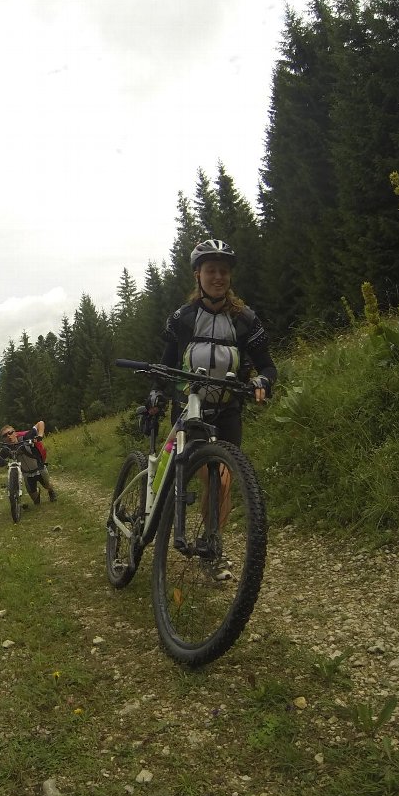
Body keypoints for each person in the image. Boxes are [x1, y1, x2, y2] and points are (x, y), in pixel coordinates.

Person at [155, 239, 276, 574]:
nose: (218, 276)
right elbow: (164, 365)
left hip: (227, 411)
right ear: (198, 275)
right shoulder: (183, 318)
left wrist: (262, 383)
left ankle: (212, 547)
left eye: (224, 271)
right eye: (211, 270)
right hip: (187, 409)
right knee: (172, 476)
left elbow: (267, 366)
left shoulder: (245, 320)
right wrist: (157, 395)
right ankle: (159, 525)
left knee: (220, 478)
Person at [0, 421, 58, 502]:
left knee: (47, 485)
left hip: (39, 469)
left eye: (10, 433)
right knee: (36, 501)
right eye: (5, 435)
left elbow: (40, 423)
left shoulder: (26, 437)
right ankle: (37, 493)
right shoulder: (6, 449)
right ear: (3, 439)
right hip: (27, 474)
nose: (8, 436)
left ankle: (51, 492)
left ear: (15, 433)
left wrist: (40, 435)